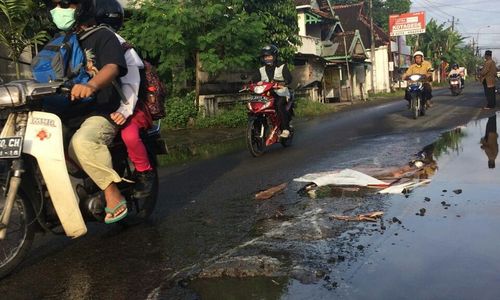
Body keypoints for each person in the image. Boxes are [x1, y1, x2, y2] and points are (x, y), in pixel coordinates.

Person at [49, 0, 128, 223]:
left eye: (65, 4)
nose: (59, 11)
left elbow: (112, 66)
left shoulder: (103, 35)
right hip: (68, 111)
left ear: (81, 6)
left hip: (101, 110)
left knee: (81, 143)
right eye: (55, 5)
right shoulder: (60, 41)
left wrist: (92, 85)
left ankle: (112, 193)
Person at [95, 0, 156, 198]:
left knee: (129, 136)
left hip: (128, 105)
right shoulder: (84, 41)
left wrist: (124, 110)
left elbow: (132, 83)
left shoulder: (121, 46)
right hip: (98, 104)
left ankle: (144, 172)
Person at [255, 44, 293, 138]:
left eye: (269, 56)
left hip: (281, 93)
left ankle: (285, 129)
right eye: (265, 57)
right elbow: (254, 79)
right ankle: (256, 128)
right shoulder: (261, 69)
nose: (267, 58)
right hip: (267, 94)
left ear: (274, 56)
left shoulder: (282, 66)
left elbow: (289, 78)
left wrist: (284, 83)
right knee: (256, 106)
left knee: (279, 105)